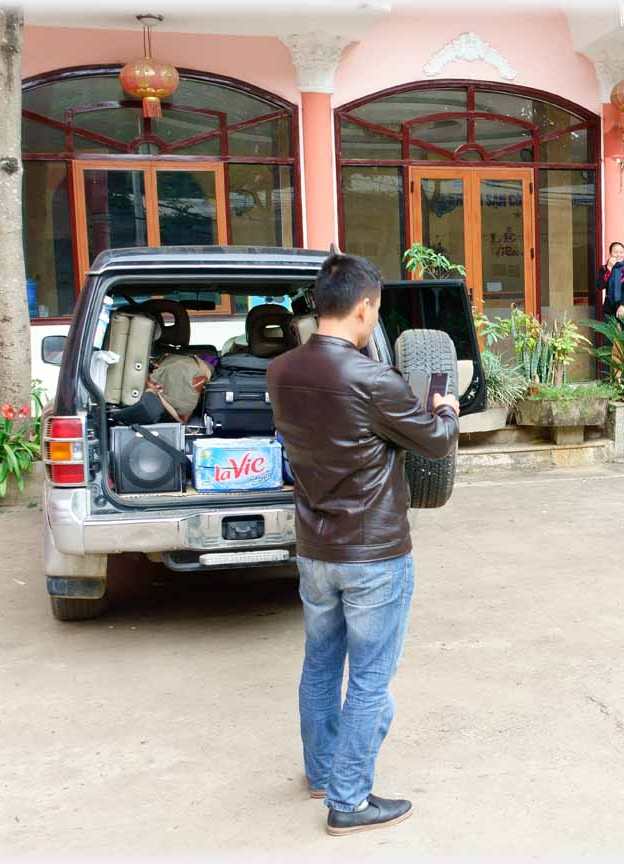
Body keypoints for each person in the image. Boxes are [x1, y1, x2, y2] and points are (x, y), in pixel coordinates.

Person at [267, 252, 461, 836]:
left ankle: (324, 773)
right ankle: (349, 800)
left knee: (321, 664)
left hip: (315, 549)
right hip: (373, 554)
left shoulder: (281, 371)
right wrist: (445, 409)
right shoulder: (373, 379)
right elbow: (432, 443)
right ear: (363, 307)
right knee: (372, 678)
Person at [596, 241, 624, 325]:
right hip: (609, 308)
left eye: (621, 252)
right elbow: (600, 286)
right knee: (608, 337)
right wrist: (609, 268)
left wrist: (623, 305)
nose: (619, 255)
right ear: (610, 253)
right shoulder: (604, 269)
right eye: (616, 252)